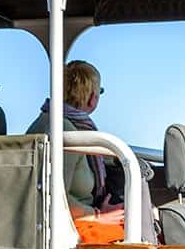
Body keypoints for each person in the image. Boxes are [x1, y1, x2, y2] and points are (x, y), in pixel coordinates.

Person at [27, 60, 121, 218]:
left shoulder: (48, 120)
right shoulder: (65, 131)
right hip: (70, 226)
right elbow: (53, 197)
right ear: (92, 98)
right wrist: (99, 214)